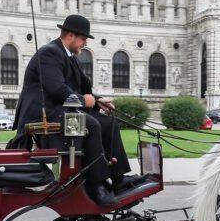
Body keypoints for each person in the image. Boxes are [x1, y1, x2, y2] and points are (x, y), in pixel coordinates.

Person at [10, 14, 139, 207]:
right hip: (43, 114)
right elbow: (57, 90)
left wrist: (97, 101)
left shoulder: (69, 56)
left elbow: (79, 90)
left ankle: (118, 180)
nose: (85, 43)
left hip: (60, 110)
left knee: (108, 122)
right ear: (71, 35)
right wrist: (84, 102)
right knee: (91, 125)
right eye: (83, 39)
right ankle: (96, 185)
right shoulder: (49, 53)